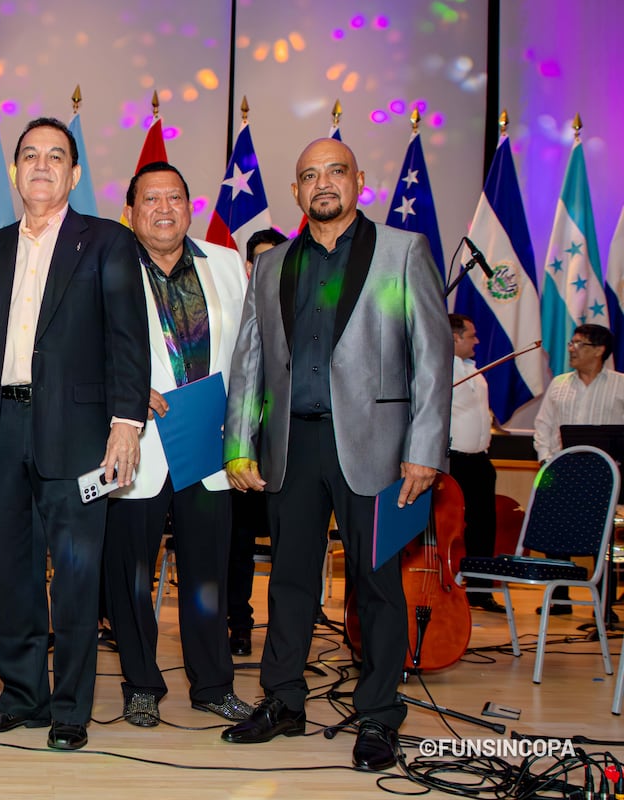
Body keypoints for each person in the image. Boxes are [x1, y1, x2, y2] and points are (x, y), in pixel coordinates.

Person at [221, 138, 451, 772]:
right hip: (291, 446)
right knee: (289, 582)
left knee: (376, 586)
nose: (323, 184)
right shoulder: (271, 266)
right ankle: (284, 701)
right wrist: (239, 443)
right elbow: (249, 362)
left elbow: (433, 358)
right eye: (309, 176)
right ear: (296, 192)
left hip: (378, 451)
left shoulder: (404, 252)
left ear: (359, 181)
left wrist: (424, 447)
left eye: (335, 172)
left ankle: (379, 715)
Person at [0, 117, 150, 751]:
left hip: (81, 435)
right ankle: (22, 697)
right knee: (11, 573)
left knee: (77, 573)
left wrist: (126, 426)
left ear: (75, 173)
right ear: (13, 171)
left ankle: (70, 709)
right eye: (29, 156)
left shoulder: (109, 243)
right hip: (3, 431)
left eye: (55, 157)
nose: (41, 166)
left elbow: (127, 342)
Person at [102, 161, 251, 728]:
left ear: (190, 207)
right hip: (136, 445)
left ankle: (213, 683)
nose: (163, 210)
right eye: (150, 200)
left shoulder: (229, 265)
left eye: (175, 199)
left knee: (209, 572)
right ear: (131, 212)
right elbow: (90, 348)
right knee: (131, 575)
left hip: (209, 443)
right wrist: (127, 389)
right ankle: (141, 684)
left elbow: (249, 353)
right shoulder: (108, 265)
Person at [531, 323, 624, 614]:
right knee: (558, 535)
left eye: (578, 344)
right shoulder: (559, 384)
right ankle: (560, 599)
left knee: (602, 539)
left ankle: (603, 605)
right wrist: (547, 460)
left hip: (605, 476)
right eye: (571, 343)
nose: (571, 349)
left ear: (598, 351)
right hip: (563, 472)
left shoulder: (620, 385)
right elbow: (543, 426)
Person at [228, 228, 289, 657]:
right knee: (238, 545)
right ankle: (239, 623)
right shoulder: (230, 309)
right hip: (241, 448)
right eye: (262, 261)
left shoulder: (298, 307)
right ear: (249, 267)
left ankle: (286, 635)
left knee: (292, 545)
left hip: (286, 447)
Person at [449, 313, 503, 613]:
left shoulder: (475, 372)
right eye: (472, 335)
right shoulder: (438, 367)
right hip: (452, 459)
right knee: (446, 526)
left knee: (484, 526)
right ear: (455, 337)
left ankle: (480, 589)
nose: (477, 340)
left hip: (480, 460)